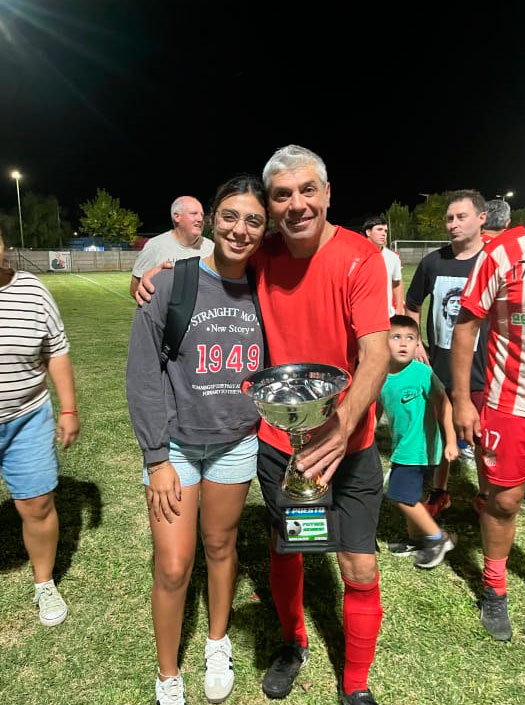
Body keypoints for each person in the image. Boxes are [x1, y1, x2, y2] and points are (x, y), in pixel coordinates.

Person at [136, 146, 391, 705]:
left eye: (307, 190)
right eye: (283, 195)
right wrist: (162, 271)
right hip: (282, 443)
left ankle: (356, 684)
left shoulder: (360, 257)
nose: (296, 204)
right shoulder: (264, 254)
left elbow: (375, 352)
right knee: (290, 547)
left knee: (359, 566)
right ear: (273, 207)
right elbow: (214, 263)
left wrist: (343, 426)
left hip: (348, 443)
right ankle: (293, 644)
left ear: (327, 194)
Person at [126, 175, 267, 705]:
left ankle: (216, 641)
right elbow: (143, 375)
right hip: (176, 448)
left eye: (253, 220)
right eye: (230, 216)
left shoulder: (267, 289)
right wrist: (156, 457)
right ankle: (168, 673)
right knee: (173, 564)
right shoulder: (171, 283)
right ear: (211, 218)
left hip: (236, 442)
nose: (240, 229)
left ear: (265, 231)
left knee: (221, 545)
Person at [451, 217, 525, 641]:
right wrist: (462, 399)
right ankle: (494, 587)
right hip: (512, 403)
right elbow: (466, 325)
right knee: (504, 500)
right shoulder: (502, 252)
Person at [0, 233, 79, 627]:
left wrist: (69, 408)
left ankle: (44, 582)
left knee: (37, 505)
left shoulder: (32, 290)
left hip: (26, 418)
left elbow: (56, 350)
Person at [405, 189, 488, 516]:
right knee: (440, 432)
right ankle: (440, 491)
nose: (453, 224)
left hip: (482, 369)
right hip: (440, 368)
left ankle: (485, 495)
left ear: (481, 219)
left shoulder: (492, 261)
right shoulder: (433, 262)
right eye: (449, 218)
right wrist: (415, 343)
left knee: (481, 436)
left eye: (461, 217)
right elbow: (412, 304)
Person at [378, 316, 458, 568]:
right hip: (401, 448)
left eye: (410, 338)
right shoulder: (380, 375)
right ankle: (416, 539)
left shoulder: (422, 373)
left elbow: (444, 404)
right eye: (396, 337)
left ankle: (437, 537)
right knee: (411, 496)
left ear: (417, 345)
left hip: (420, 449)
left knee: (399, 496)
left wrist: (451, 440)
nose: (403, 344)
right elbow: (376, 409)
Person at [129, 195, 214, 299]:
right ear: (177, 216)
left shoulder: (211, 248)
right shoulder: (155, 246)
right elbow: (135, 289)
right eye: (194, 214)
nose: (200, 219)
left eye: (202, 215)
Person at [363, 216, 403, 316]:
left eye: (385, 231)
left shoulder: (393, 257)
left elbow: (397, 283)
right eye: (379, 229)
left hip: (386, 315)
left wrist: (399, 309)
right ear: (368, 232)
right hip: (362, 314)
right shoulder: (356, 255)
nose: (384, 234)